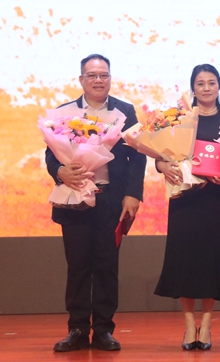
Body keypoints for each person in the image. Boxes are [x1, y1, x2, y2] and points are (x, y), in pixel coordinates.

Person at [46, 54, 146, 352]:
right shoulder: (64, 113)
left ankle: (103, 329)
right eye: (92, 75)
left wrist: (133, 194)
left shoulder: (124, 111)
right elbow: (51, 154)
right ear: (81, 80)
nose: (98, 80)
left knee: (106, 265)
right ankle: (77, 329)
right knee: (77, 266)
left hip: (111, 199)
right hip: (75, 196)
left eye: (104, 75)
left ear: (110, 78)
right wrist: (60, 171)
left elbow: (138, 156)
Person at [154, 64, 220, 351]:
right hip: (184, 198)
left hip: (213, 199)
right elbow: (159, 156)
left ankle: (205, 324)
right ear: (192, 88)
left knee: (210, 259)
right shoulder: (180, 118)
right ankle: (188, 323)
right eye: (201, 83)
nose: (206, 88)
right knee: (184, 258)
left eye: (211, 83)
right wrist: (163, 166)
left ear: (219, 86)